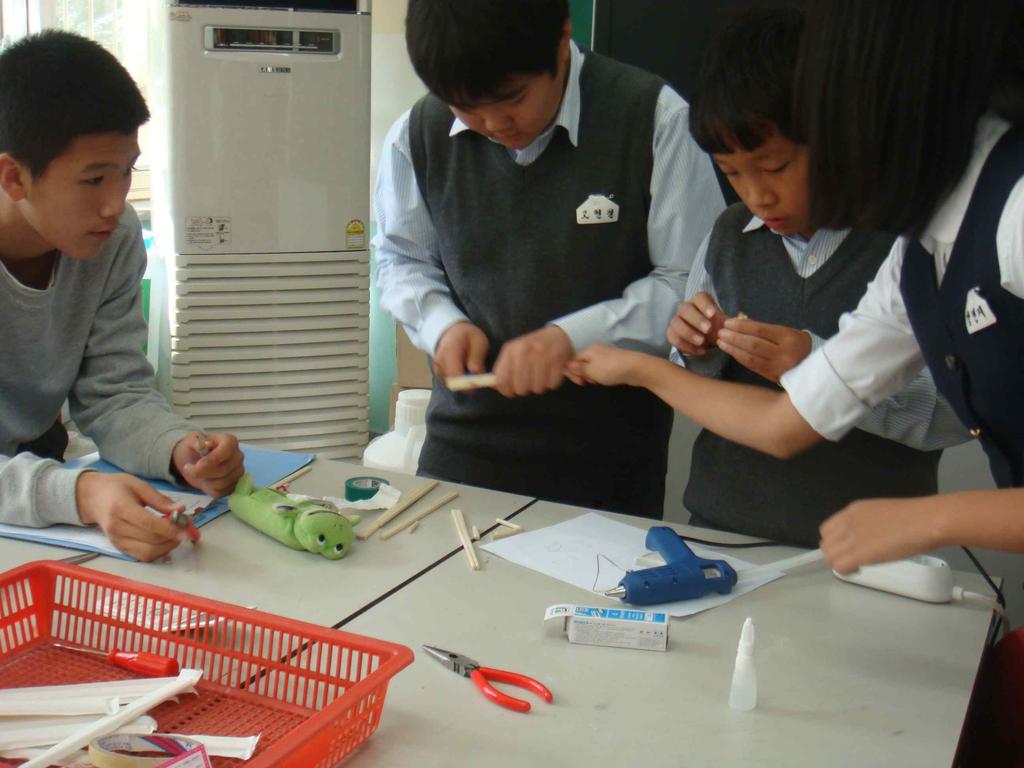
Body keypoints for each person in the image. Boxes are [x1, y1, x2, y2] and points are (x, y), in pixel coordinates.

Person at [568, 0, 1023, 571]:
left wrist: (931, 518)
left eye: (780, 163)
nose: (759, 194)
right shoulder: (916, 251)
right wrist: (640, 366)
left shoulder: (1010, 211)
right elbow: (786, 426)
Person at [373, 0, 723, 517]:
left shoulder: (654, 117)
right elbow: (401, 261)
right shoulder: (417, 133)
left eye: (512, 98)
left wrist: (570, 337)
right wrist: (442, 325)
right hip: (462, 453)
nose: (494, 123)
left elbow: (688, 281)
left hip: (608, 460)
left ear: (562, 40)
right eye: (465, 106)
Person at [669, 7, 966, 547]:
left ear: (838, 133)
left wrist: (819, 365)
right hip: (721, 534)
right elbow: (693, 376)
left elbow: (952, 414)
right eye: (731, 173)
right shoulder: (729, 235)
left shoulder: (907, 240)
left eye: (776, 167)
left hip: (873, 556)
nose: (756, 194)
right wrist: (694, 347)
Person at [0, 31, 245, 561]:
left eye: (126, 171)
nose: (116, 204)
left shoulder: (115, 239)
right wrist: (82, 492)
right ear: (14, 177)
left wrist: (178, 450)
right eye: (93, 179)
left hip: (31, 483)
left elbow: (114, 393)